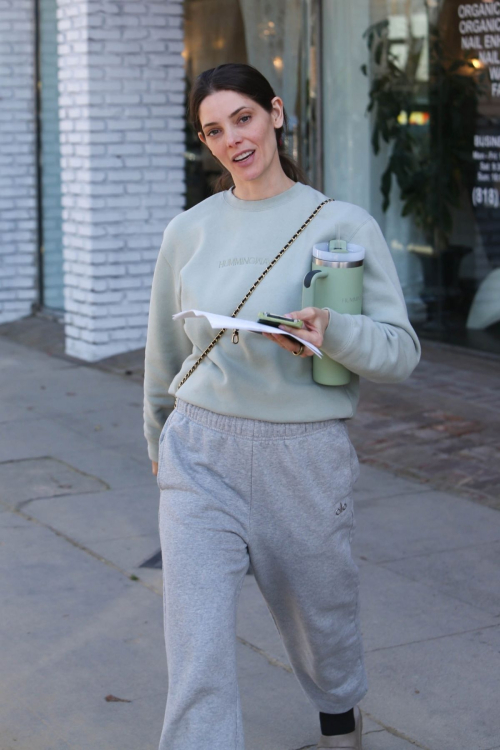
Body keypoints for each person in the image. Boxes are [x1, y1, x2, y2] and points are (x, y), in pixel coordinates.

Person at [143, 62, 421, 750]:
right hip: (198, 453)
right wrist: (157, 442)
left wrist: (335, 332)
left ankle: (340, 727)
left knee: (322, 627)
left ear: (275, 113)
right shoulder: (190, 230)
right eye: (214, 130)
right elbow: (161, 349)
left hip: (303, 456)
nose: (232, 139)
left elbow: (402, 352)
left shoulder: (341, 223)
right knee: (196, 649)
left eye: (243, 118)